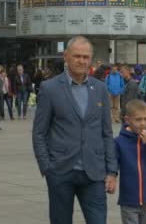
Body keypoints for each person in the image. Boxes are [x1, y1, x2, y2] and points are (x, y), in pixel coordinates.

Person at [32, 36, 117, 224]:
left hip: (94, 173)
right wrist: (47, 168)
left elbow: (106, 133)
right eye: (77, 56)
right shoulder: (50, 88)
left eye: (86, 57)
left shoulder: (100, 88)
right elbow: (39, 132)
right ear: (66, 56)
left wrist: (111, 171)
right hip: (61, 171)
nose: (82, 61)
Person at [115, 99, 146, 224]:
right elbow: (112, 165)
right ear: (127, 120)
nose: (143, 123)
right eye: (138, 119)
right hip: (128, 200)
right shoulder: (119, 142)